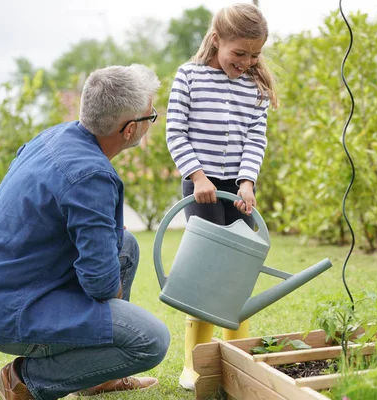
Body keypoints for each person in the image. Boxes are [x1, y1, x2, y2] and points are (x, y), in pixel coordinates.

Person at [0, 64, 170, 400]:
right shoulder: (90, 174)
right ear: (129, 130)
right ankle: (24, 380)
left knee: (125, 244)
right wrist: (108, 307)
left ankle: (96, 377)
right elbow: (99, 284)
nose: (151, 121)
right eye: (150, 116)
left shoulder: (54, 137)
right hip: (14, 310)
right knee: (151, 340)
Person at [165, 3, 278, 390]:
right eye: (239, 53)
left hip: (238, 188)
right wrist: (197, 176)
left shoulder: (254, 88)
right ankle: (194, 366)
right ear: (217, 40)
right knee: (204, 276)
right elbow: (176, 133)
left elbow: (255, 140)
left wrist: (247, 183)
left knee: (238, 274)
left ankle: (237, 360)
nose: (246, 62)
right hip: (202, 187)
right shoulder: (189, 77)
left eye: (254, 55)